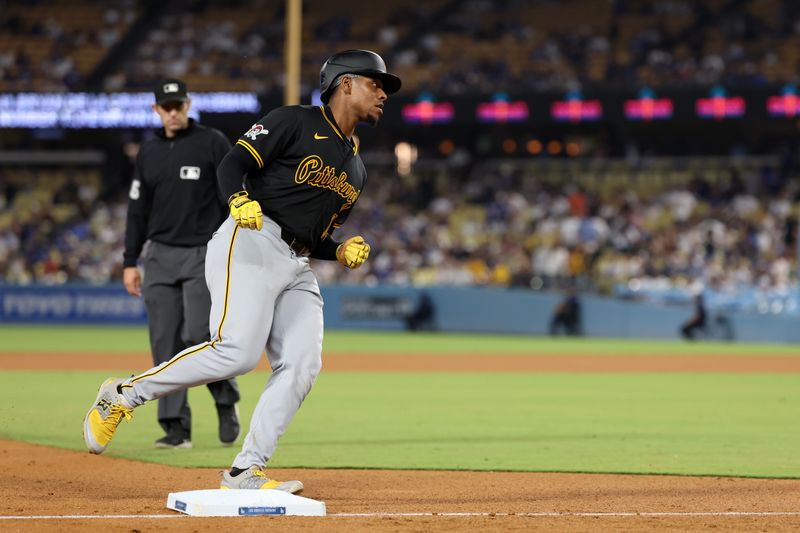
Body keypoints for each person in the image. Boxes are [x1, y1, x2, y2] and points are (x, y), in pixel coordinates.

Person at [84, 50, 401, 493]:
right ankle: (121, 395)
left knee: (303, 364)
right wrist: (236, 198)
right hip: (251, 237)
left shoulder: (357, 168)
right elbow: (233, 163)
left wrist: (339, 248)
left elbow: (314, 233)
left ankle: (244, 470)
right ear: (345, 84)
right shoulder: (295, 120)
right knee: (237, 353)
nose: (384, 93)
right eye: (375, 83)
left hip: (296, 261)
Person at [121, 78, 240, 449]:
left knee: (198, 336)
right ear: (156, 109)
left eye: (178, 105)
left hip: (200, 253)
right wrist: (130, 260)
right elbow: (137, 210)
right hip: (158, 254)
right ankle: (175, 427)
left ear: (188, 105)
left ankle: (224, 398)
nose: (173, 111)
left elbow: (232, 193)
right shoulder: (149, 151)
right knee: (163, 343)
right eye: (165, 106)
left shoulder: (212, 142)